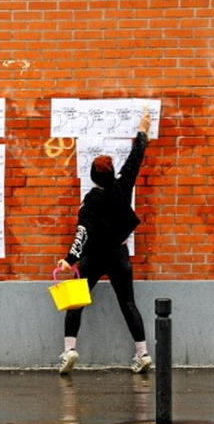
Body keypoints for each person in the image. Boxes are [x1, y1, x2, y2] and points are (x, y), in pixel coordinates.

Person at [55, 108, 153, 374]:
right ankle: (142, 353)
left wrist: (69, 259)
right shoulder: (122, 187)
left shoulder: (91, 202)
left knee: (76, 300)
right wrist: (142, 129)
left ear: (92, 177)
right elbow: (135, 160)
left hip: (95, 257)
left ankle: (69, 351)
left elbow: (82, 233)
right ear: (111, 175)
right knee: (128, 303)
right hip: (119, 256)